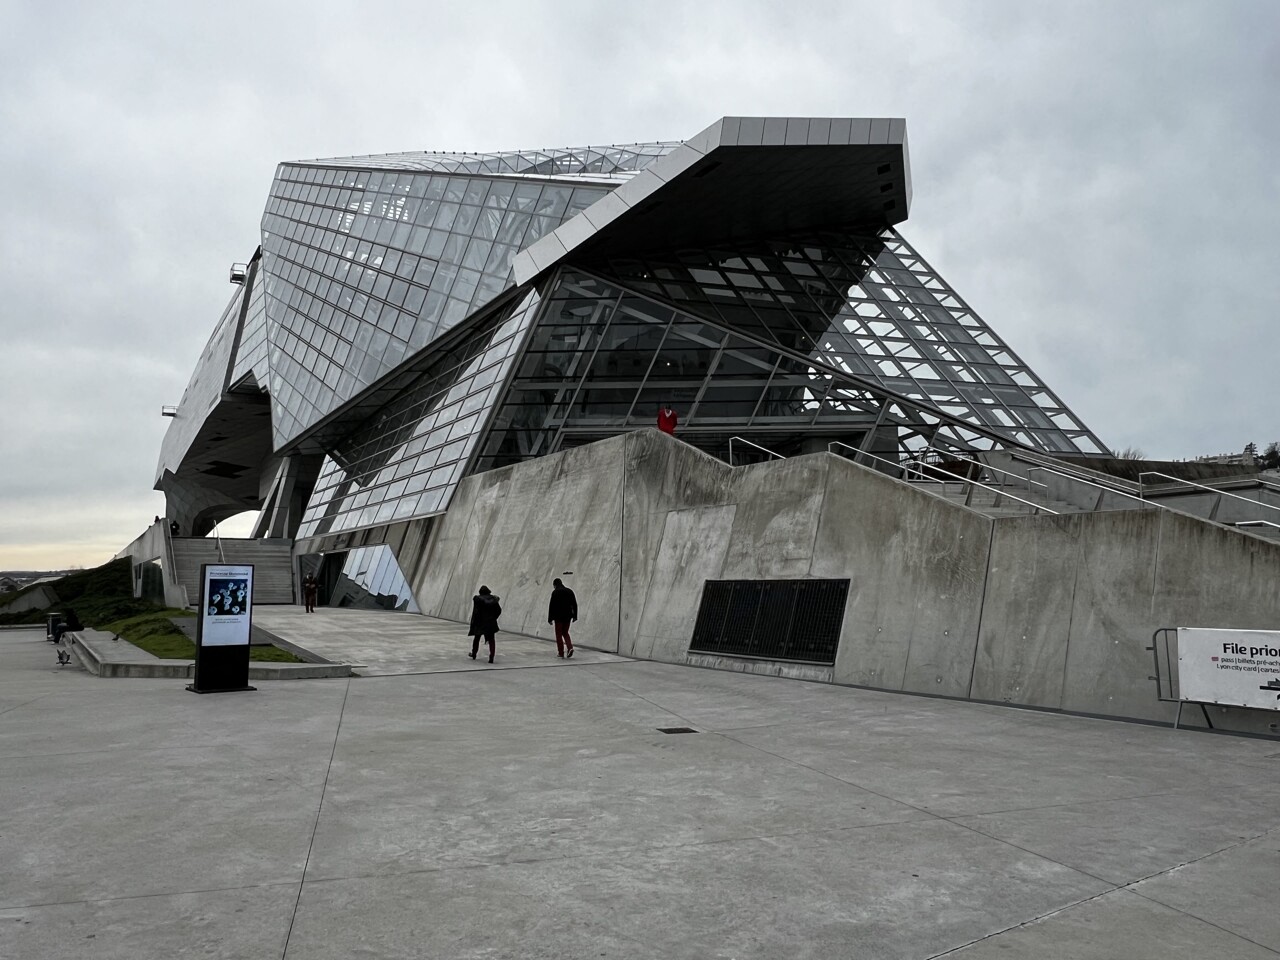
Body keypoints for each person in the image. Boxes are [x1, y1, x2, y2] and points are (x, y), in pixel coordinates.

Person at [468, 586, 502, 663]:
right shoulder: (494, 599)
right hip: (490, 622)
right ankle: (491, 657)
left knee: (477, 638)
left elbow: (476, 612)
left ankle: (474, 654)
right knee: (491, 640)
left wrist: (474, 623)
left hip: (480, 622)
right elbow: (498, 610)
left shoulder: (478, 599)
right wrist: (493, 618)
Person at [547, 577, 577, 658]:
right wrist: (575, 616)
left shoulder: (555, 592)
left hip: (558, 617)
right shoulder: (569, 591)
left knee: (559, 634)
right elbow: (574, 604)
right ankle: (570, 648)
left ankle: (561, 652)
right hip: (568, 617)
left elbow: (551, 606)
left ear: (555, 585)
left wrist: (550, 618)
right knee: (565, 633)